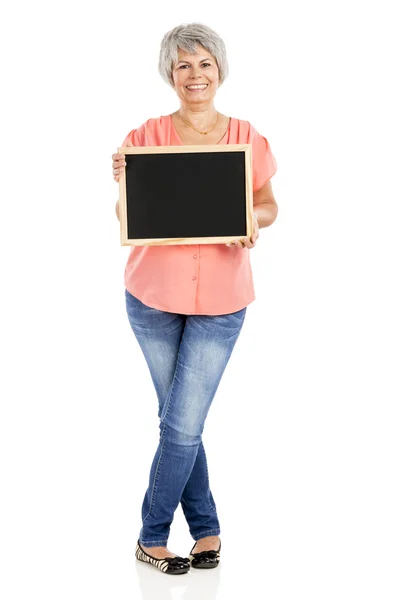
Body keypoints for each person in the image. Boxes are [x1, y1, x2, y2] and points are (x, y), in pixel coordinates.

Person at [111, 22, 278, 575]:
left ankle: (151, 535)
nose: (194, 74)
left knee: (181, 424)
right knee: (181, 421)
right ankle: (205, 529)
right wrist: (124, 185)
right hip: (152, 297)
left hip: (224, 300)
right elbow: (127, 219)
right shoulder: (146, 136)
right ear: (169, 74)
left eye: (204, 63)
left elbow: (269, 204)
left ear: (220, 69)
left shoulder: (247, 137)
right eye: (182, 65)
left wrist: (252, 221)